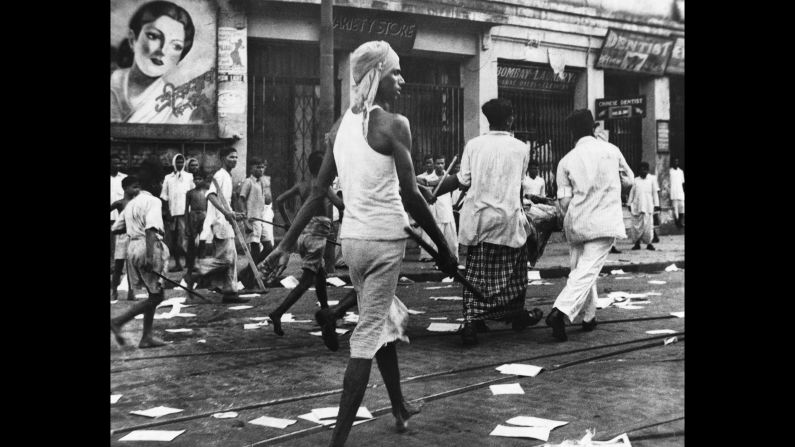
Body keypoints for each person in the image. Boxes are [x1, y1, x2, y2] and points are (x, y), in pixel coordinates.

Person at [261, 40, 457, 446]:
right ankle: (337, 441)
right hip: (386, 241)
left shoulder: (339, 128)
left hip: (352, 241)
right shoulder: (394, 124)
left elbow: (317, 193)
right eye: (396, 72)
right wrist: (444, 248)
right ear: (377, 76)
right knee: (367, 333)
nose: (402, 80)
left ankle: (399, 406)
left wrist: (285, 244)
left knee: (379, 317)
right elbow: (411, 195)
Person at [434, 98, 543, 345]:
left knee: (476, 274)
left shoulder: (474, 145)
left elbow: (462, 181)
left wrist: (434, 190)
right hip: (507, 218)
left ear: (488, 119)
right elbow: (518, 185)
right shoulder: (521, 148)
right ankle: (514, 314)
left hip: (479, 219)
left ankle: (473, 319)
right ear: (510, 119)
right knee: (514, 275)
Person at [545, 109, 634, 342]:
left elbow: (563, 201)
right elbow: (629, 180)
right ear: (594, 126)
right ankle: (560, 311)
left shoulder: (566, 160)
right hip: (603, 222)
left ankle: (589, 316)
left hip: (576, 222)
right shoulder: (611, 151)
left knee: (581, 270)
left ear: (572, 132)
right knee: (586, 271)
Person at [268, 152, 344, 336]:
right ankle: (278, 313)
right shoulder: (323, 186)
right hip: (317, 236)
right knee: (305, 282)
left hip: (303, 233)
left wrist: (288, 222)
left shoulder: (301, 185)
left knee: (319, 276)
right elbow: (340, 205)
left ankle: (326, 313)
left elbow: (279, 201)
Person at [110, 160, 171, 348]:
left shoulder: (131, 204)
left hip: (133, 247)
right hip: (147, 246)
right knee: (157, 296)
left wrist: (134, 229)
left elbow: (115, 229)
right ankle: (118, 321)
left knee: (154, 293)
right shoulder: (153, 201)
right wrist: (150, 256)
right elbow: (151, 229)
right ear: (154, 183)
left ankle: (146, 337)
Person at [110, 1, 197, 123]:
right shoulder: (113, 82)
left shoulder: (178, 107)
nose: (162, 51)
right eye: (153, 36)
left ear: (179, 58)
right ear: (132, 40)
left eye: (176, 46)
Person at [187, 147, 250, 304]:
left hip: (226, 221)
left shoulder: (228, 176)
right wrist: (226, 213)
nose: (234, 160)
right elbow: (211, 196)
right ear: (222, 158)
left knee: (232, 258)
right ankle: (198, 271)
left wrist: (233, 213)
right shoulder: (220, 175)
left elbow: (224, 201)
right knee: (227, 260)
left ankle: (230, 292)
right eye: (231, 157)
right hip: (220, 222)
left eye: (236, 157)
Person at [416, 154, 459, 264]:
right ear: (434, 164)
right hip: (434, 209)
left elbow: (452, 195)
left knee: (450, 236)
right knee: (433, 233)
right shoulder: (427, 179)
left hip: (446, 209)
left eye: (442, 163)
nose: (440, 165)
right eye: (438, 163)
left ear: (445, 164)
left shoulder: (449, 177)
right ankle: (429, 256)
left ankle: (452, 256)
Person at [110, 176, 141, 301]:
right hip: (122, 237)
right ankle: (114, 291)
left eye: (137, 187)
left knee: (132, 267)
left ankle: (131, 292)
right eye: (134, 187)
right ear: (124, 188)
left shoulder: (138, 203)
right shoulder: (120, 203)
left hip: (134, 237)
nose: (136, 190)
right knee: (118, 266)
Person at [161, 154, 193, 271]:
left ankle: (189, 263)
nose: (179, 164)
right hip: (172, 213)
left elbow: (192, 194)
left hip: (185, 213)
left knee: (185, 239)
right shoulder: (168, 178)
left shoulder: (189, 177)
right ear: (174, 163)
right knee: (173, 239)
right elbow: (164, 196)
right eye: (177, 162)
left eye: (181, 162)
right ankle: (178, 264)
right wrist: (167, 212)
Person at [238, 158, 275, 262]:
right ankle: (251, 276)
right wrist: (245, 221)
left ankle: (249, 272)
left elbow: (265, 201)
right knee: (255, 250)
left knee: (269, 247)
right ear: (251, 169)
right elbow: (241, 200)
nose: (261, 170)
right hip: (252, 221)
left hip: (260, 220)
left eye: (262, 167)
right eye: (258, 167)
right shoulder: (248, 182)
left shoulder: (262, 183)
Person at [628, 162, 660, 251]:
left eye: (645, 169)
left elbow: (655, 193)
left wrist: (656, 204)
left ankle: (649, 244)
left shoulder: (652, 180)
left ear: (648, 170)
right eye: (642, 169)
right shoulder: (635, 180)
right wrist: (629, 203)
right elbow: (632, 193)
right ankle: (637, 244)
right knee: (636, 227)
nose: (644, 171)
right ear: (639, 171)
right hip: (637, 206)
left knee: (648, 227)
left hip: (648, 206)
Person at [184, 168, 209, 276]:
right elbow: (186, 209)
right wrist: (187, 225)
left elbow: (209, 208)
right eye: (196, 179)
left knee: (202, 242)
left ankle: (201, 267)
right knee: (192, 243)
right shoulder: (190, 193)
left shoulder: (207, 192)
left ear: (203, 180)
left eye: (200, 179)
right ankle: (190, 267)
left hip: (204, 216)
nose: (197, 181)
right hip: (193, 217)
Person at [669, 157, 685, 228]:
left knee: (682, 207)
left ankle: (680, 222)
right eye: (674, 161)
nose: (676, 163)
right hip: (673, 192)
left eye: (677, 161)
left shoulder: (681, 171)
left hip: (680, 192)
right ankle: (677, 223)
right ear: (672, 162)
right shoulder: (670, 171)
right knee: (675, 209)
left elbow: (682, 183)